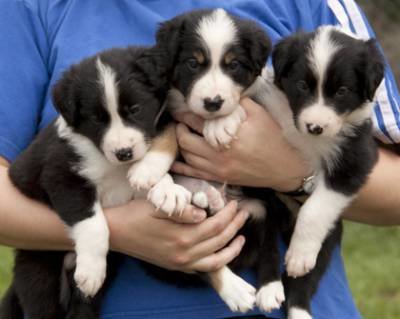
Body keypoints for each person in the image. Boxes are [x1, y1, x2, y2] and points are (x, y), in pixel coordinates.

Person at [0, 0, 398, 318]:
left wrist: (293, 172)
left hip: (297, 296)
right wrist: (117, 231)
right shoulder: (33, 8)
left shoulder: (313, 6)